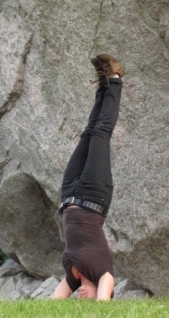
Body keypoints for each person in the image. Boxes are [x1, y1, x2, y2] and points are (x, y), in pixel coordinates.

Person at [52, 53, 124, 301]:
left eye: (79, 298)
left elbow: (51, 304)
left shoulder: (72, 277)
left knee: (88, 132)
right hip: (94, 196)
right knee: (101, 133)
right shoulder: (104, 275)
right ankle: (114, 79)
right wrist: (100, 300)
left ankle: (104, 82)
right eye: (88, 298)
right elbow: (103, 305)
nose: (82, 294)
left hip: (69, 195)